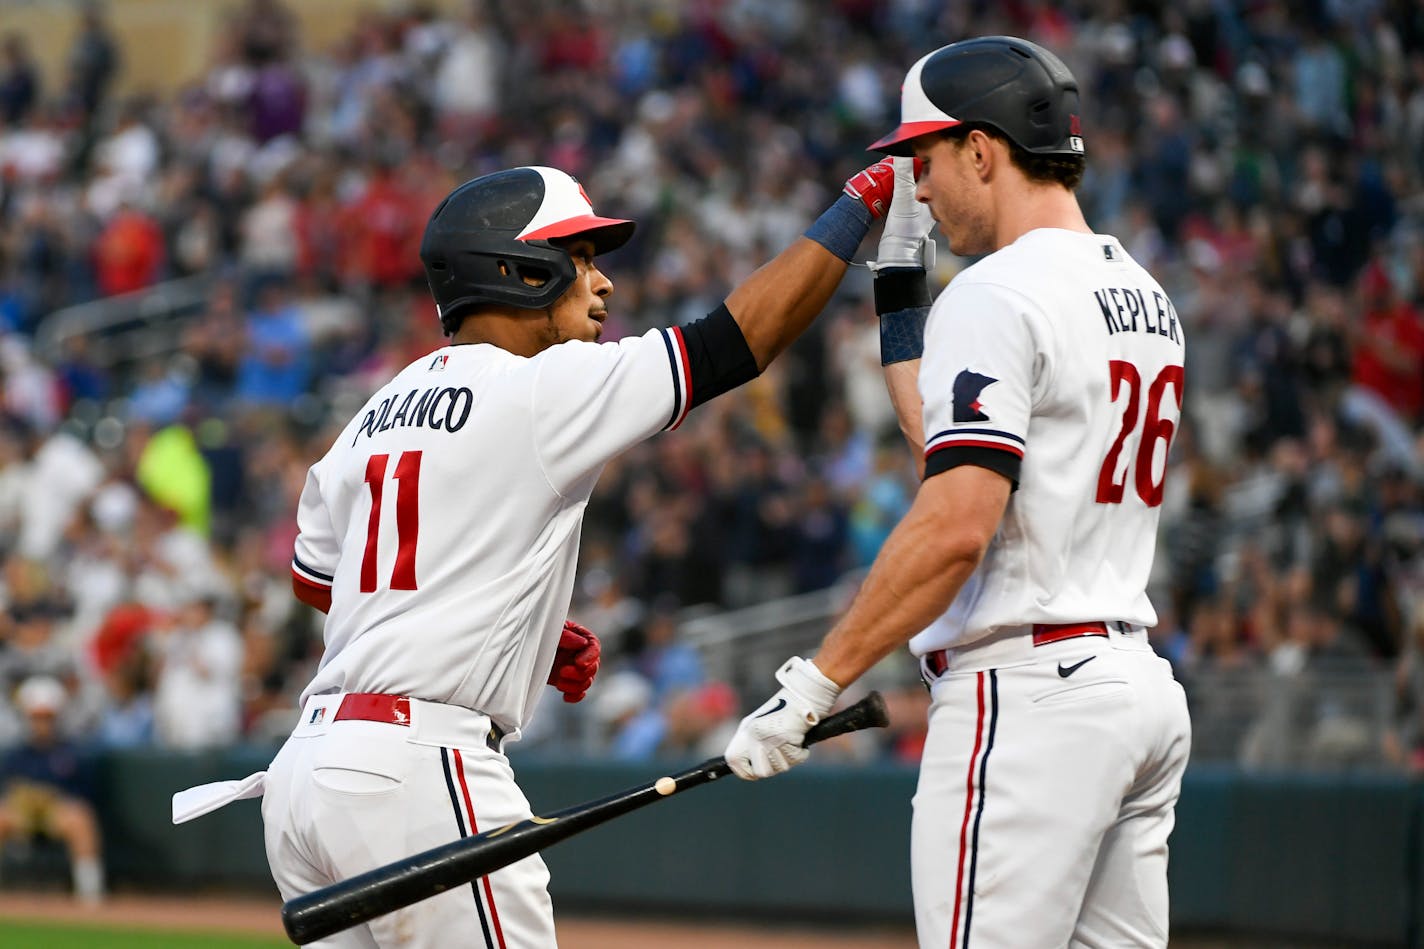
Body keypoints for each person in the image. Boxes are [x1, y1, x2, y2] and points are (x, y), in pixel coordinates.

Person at [174, 160, 899, 946]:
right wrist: (854, 207)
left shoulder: (376, 409)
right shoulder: (539, 386)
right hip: (420, 770)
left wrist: (524, 628)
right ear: (521, 270)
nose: (602, 284)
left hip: (307, 773)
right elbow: (737, 341)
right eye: (580, 256)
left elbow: (320, 578)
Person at [724, 37, 1192, 949]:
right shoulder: (1141, 291)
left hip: (1027, 697)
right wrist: (901, 279)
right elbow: (942, 447)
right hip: (1130, 687)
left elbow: (953, 527)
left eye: (928, 159)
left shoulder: (999, 289)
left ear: (984, 149)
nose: (921, 186)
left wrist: (817, 682)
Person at [0, 676, 106, 903]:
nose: (42, 724)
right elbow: (8, 790)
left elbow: (84, 795)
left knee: (80, 819)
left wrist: (52, 800)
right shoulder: (17, 755)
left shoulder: (72, 752)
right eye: (37, 718)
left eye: (47, 717)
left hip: (55, 814)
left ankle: (90, 894)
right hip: (24, 815)